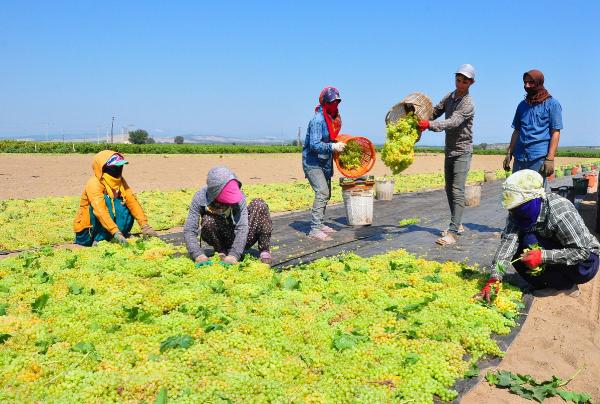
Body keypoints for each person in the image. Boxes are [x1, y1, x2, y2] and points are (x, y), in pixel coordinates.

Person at [475, 170, 599, 302]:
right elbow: (508, 244)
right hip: (553, 250)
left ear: (535, 198)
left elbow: (582, 252)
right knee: (519, 248)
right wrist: (495, 277)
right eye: (512, 208)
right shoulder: (515, 214)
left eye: (519, 207)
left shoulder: (560, 211)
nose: (514, 212)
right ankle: (555, 284)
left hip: (585, 264)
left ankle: (567, 285)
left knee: (529, 240)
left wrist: (542, 256)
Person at [417, 64, 476, 246]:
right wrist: (419, 115)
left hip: (462, 151)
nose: (460, 83)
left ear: (471, 83)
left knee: (457, 190)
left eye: (464, 81)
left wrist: (429, 125)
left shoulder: (468, 104)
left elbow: (452, 122)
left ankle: (452, 232)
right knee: (448, 188)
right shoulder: (450, 97)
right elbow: (435, 111)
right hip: (449, 149)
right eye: (458, 79)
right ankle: (457, 225)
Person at [183, 166, 273, 265]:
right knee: (207, 220)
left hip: (244, 237)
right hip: (221, 238)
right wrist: (198, 255)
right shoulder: (200, 198)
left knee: (259, 204)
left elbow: (242, 228)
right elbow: (190, 229)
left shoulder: (239, 197)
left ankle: (264, 250)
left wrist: (234, 255)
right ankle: (222, 251)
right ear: (214, 193)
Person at [73, 150, 158, 246]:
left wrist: (145, 226)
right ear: (104, 167)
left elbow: (132, 201)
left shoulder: (120, 181)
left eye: (120, 166)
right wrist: (115, 232)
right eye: (116, 166)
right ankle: (100, 239)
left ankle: (120, 234)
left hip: (111, 230)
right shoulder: (94, 183)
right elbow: (100, 210)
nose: (119, 169)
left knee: (125, 201)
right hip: (88, 232)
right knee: (107, 201)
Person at [302, 86, 347, 241]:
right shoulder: (318, 120)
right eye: (332, 102)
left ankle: (320, 224)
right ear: (325, 102)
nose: (335, 105)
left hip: (324, 161)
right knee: (322, 192)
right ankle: (314, 229)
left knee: (327, 193)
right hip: (313, 162)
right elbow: (314, 144)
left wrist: (336, 144)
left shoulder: (331, 118)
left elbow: (330, 138)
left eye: (337, 102)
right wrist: (333, 147)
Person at [503, 69, 563, 180]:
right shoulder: (522, 105)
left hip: (538, 157)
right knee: (517, 191)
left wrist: (550, 159)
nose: (527, 85)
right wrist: (509, 153)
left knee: (536, 193)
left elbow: (555, 132)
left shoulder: (552, 104)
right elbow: (517, 130)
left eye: (531, 82)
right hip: (520, 156)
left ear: (539, 83)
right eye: (525, 82)